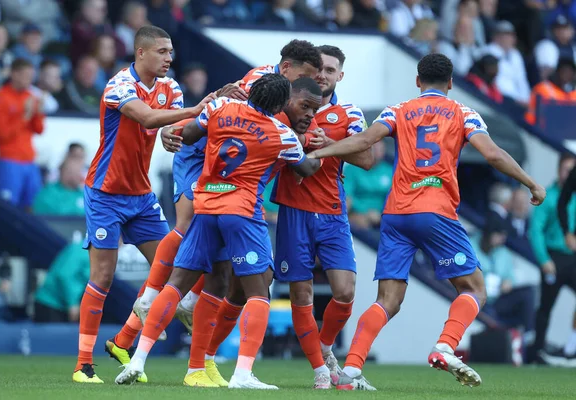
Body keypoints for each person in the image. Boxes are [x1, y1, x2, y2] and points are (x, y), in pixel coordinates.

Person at [307, 53, 546, 390]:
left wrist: (318, 152)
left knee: (387, 300)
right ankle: (446, 346)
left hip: (396, 214)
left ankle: (351, 371)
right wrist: (531, 183)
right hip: (435, 210)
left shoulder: (398, 109)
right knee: (474, 288)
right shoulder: (464, 113)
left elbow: (363, 141)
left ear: (418, 81)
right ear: (450, 83)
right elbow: (492, 154)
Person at [115, 73, 322, 389]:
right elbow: (305, 169)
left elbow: (190, 134)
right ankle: (242, 374)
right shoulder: (281, 133)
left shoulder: (221, 106)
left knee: (176, 284)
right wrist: (321, 155)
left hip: (206, 205)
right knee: (258, 291)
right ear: (281, 104)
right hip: (242, 213)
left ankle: (138, 359)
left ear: (250, 92)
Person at [72, 25, 215, 384]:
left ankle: (122, 341)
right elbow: (149, 118)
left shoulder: (172, 89)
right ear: (141, 53)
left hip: (141, 195)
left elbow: (169, 128)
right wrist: (195, 110)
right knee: (103, 276)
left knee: (169, 267)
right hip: (105, 193)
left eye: (171, 52)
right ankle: (84, 365)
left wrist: (172, 135)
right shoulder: (119, 85)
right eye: (163, 52)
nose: (170, 58)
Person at [271, 45, 374, 389]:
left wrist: (328, 141)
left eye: (331, 70)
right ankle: (320, 370)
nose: (324, 75)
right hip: (294, 211)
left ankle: (325, 346)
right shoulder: (288, 106)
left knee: (345, 292)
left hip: (332, 212)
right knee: (301, 295)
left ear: (339, 76)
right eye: (320, 69)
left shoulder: (349, 113)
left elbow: (368, 158)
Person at [530, 153, 576, 362]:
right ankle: (537, 351)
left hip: (573, 258)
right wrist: (544, 260)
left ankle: (571, 345)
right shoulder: (549, 197)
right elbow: (536, 230)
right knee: (546, 307)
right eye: (567, 169)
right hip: (554, 258)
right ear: (559, 170)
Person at [0, 58, 44, 210]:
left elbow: (39, 130)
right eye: (26, 75)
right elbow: (4, 134)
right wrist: (25, 115)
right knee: (8, 208)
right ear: (14, 74)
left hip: (30, 161)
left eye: (31, 76)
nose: (29, 80)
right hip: (9, 161)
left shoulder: (30, 96)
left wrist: (38, 112)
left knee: (34, 208)